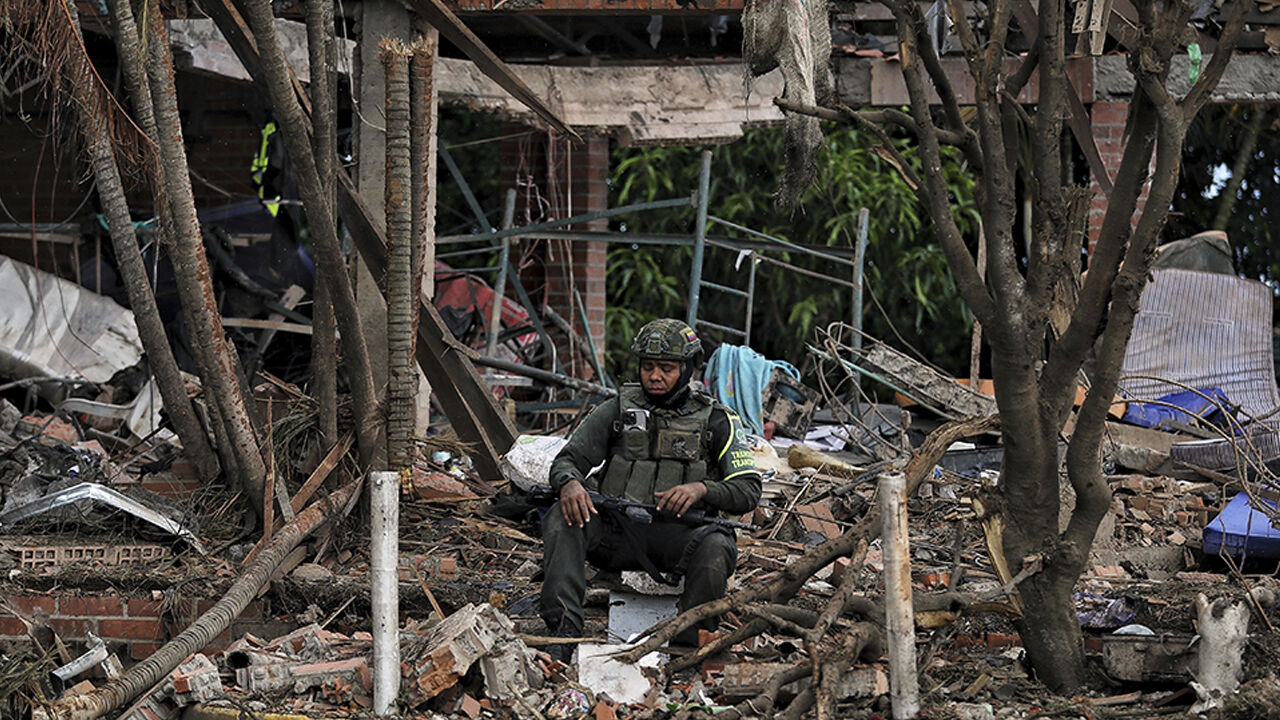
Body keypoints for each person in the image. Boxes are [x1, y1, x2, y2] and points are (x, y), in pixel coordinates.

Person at [540, 318, 762, 660]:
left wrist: (702, 489)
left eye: (666, 368)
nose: (654, 376)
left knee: (718, 547)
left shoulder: (718, 420)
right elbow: (569, 459)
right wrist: (569, 484)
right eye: (647, 367)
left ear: (688, 369)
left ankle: (687, 650)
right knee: (562, 516)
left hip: (678, 536)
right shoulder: (617, 408)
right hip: (616, 530)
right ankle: (563, 634)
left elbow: (748, 489)